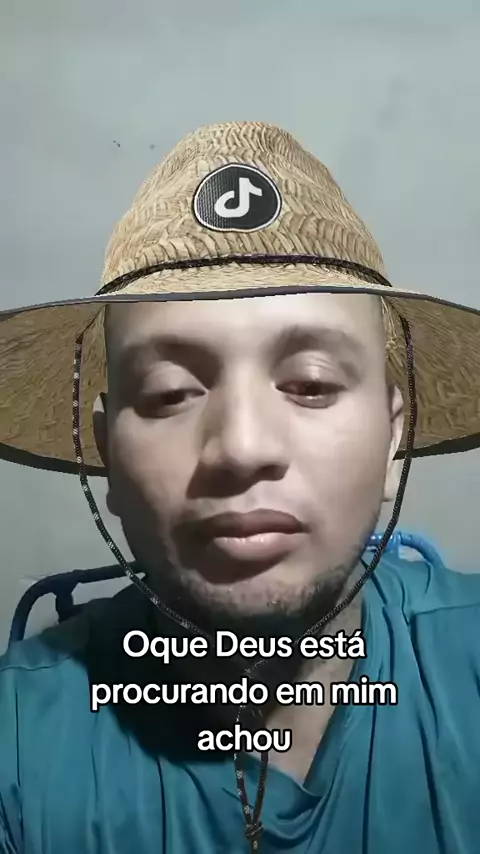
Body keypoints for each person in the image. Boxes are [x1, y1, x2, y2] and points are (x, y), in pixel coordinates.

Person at [0, 121, 479, 854]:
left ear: (392, 441)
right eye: (169, 393)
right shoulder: (19, 748)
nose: (242, 447)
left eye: (311, 384)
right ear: (106, 456)